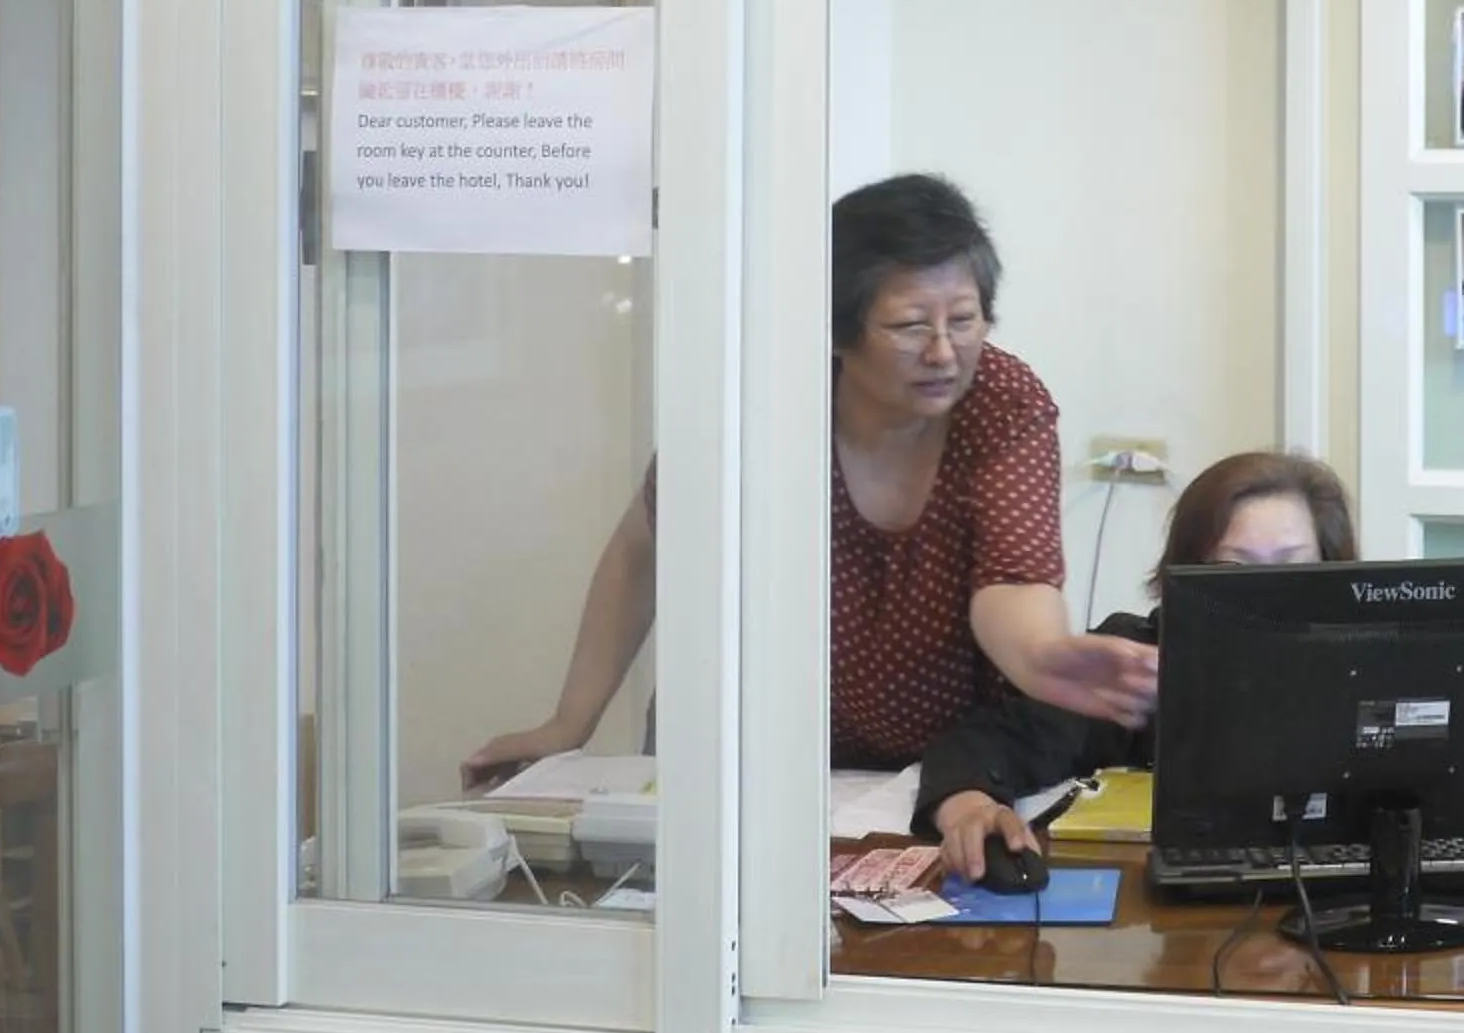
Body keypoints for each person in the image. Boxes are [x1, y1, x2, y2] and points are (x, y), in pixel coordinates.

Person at [462, 173, 1157, 790]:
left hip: (940, 768)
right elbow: (645, 548)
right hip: (750, 748)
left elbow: (1013, 576)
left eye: (965, 321)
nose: (945, 352)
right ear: (834, 329)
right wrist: (569, 722)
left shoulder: (1004, 401)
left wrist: (1040, 657)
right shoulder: (760, 399)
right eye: (910, 326)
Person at [914, 451, 1358, 881]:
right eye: (1232, 568)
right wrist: (970, 809)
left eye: (1292, 567)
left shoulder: (1366, 667)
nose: (1264, 596)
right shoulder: (1135, 661)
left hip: (1337, 898)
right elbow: (988, 743)